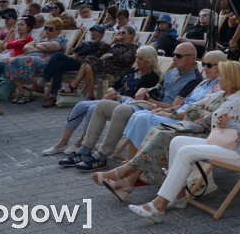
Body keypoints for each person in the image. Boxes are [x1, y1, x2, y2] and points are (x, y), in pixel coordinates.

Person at [123, 64, 240, 222]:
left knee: (186, 152)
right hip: (230, 145)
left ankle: (158, 206)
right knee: (177, 141)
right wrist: (232, 120)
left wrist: (233, 124)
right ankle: (179, 197)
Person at [95, 59, 240, 200]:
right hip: (195, 128)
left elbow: (215, 123)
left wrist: (201, 114)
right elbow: (192, 108)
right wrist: (202, 113)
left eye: (222, 76)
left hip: (211, 136)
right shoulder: (219, 94)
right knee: (157, 131)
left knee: (163, 136)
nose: (218, 78)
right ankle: (127, 180)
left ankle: (123, 174)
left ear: (231, 78)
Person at [65, 43, 202, 172]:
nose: (174, 58)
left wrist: (148, 99)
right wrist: (145, 89)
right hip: (147, 105)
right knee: (101, 105)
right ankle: (85, 149)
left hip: (160, 112)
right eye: (174, 54)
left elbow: (175, 106)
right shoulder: (173, 71)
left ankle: (102, 154)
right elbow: (157, 87)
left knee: (121, 110)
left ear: (191, 59)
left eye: (178, 56)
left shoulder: (194, 79)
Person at [42, 45, 161, 157]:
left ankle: (82, 142)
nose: (137, 60)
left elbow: (138, 99)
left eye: (141, 58)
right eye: (137, 57)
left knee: (93, 108)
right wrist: (111, 91)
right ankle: (63, 142)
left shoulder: (152, 77)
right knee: (80, 105)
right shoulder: (132, 70)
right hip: (112, 99)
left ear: (149, 60)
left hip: (125, 105)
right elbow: (114, 84)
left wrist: (117, 96)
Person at [39, 24, 110, 105]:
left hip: (87, 66)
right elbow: (73, 53)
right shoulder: (86, 43)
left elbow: (96, 60)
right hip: (76, 63)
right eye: (92, 32)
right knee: (58, 64)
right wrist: (73, 56)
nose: (93, 34)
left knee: (57, 55)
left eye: (96, 32)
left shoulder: (103, 46)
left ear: (102, 35)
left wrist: (80, 58)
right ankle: (53, 96)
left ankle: (42, 82)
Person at [6, 18, 66, 104]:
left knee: (27, 60)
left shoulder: (60, 40)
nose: (47, 31)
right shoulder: (42, 38)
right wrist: (42, 48)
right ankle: (21, 92)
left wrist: (36, 45)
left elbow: (53, 47)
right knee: (11, 61)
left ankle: (28, 94)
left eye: (51, 29)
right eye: (46, 28)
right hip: (32, 58)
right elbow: (25, 48)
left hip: (47, 62)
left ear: (58, 30)